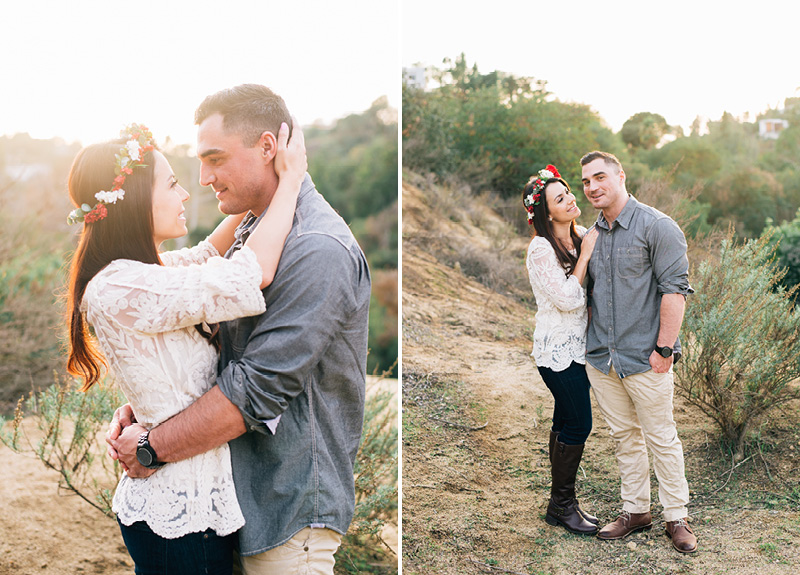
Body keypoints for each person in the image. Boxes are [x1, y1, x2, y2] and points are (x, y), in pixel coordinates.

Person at [107, 84, 372, 575]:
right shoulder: (257, 231)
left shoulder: (317, 249)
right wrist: (153, 398)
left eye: (215, 158)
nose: (203, 177)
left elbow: (256, 388)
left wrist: (150, 447)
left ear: (268, 148)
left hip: (287, 510)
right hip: (241, 500)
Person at [66, 121, 307, 574]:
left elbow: (207, 257)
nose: (183, 195)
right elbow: (247, 274)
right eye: (172, 184)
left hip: (194, 506)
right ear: (135, 200)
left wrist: (259, 188)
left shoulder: (141, 272)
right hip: (178, 515)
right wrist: (290, 180)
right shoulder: (119, 285)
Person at [579, 151, 697, 554]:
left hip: (646, 357)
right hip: (602, 358)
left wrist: (664, 349)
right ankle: (635, 511)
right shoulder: (590, 234)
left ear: (620, 176)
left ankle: (676, 517)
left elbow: (674, 291)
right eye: (586, 183)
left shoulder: (657, 226)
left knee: (662, 437)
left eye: (599, 178)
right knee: (624, 436)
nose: (592, 187)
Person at [522, 164, 599, 535]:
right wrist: (585, 255)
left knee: (564, 422)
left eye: (568, 192)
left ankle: (559, 507)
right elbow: (568, 299)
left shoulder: (581, 233)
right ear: (545, 212)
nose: (570, 199)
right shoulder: (540, 249)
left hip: (580, 348)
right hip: (556, 352)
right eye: (560, 198)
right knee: (580, 423)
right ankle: (562, 504)